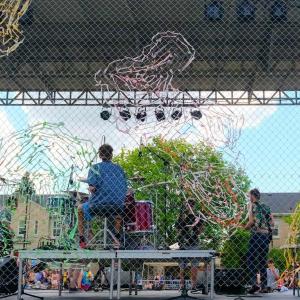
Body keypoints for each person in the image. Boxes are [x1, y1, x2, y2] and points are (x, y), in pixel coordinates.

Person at [78, 144, 127, 248]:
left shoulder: (95, 168)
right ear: (111, 155)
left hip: (97, 207)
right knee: (119, 211)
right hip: (117, 208)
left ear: (100, 155)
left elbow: (92, 188)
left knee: (80, 208)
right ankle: (116, 239)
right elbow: (124, 189)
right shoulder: (119, 169)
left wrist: (93, 187)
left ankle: (82, 239)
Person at [244, 188, 274, 294]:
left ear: (252, 196)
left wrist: (243, 228)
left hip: (256, 235)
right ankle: (264, 286)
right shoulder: (266, 206)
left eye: (249, 196)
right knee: (262, 261)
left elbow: (251, 221)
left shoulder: (252, 205)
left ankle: (254, 283)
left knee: (250, 259)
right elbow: (272, 223)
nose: (249, 198)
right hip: (265, 236)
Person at [176, 199, 204, 292]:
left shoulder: (196, 215)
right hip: (184, 243)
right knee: (182, 265)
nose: (190, 206)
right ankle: (182, 284)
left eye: (191, 205)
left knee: (194, 264)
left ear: (193, 206)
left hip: (194, 242)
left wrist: (198, 226)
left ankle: (193, 285)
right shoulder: (182, 215)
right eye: (188, 205)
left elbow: (200, 230)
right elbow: (178, 228)